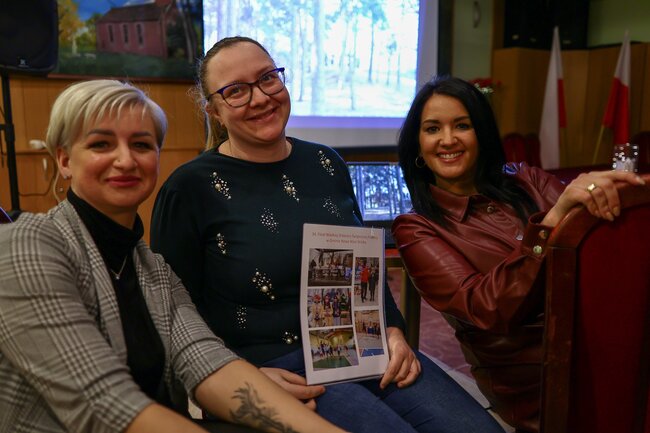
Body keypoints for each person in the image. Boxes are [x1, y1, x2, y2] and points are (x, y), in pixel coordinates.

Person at [150, 36, 505, 433]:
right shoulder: (190, 187)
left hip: (360, 346)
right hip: (272, 366)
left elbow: (363, 265)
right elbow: (172, 312)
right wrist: (235, 375)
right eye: (235, 91)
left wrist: (391, 329)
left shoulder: (326, 162)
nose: (260, 98)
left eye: (267, 78)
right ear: (213, 110)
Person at [0, 79, 348, 433]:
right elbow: (103, 403)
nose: (125, 160)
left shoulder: (153, 269)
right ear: (64, 160)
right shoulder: (27, 245)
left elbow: (209, 364)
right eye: (101, 144)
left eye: (141, 144)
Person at [391, 75, 646, 433]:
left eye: (462, 125)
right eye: (433, 129)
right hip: (539, 378)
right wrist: (551, 223)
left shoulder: (528, 180)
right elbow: (487, 309)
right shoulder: (416, 228)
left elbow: (595, 244)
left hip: (601, 339)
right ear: (418, 145)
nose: (448, 139)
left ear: (481, 133)